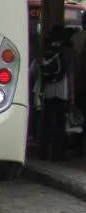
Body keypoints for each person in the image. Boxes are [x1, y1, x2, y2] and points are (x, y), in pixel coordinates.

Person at [37, 25, 77, 161]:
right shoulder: (68, 52)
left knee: (46, 121)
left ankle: (42, 150)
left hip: (48, 91)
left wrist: (40, 90)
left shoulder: (46, 49)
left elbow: (39, 70)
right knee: (60, 123)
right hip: (62, 91)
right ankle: (58, 152)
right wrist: (72, 95)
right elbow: (70, 74)